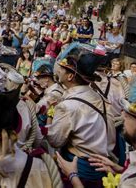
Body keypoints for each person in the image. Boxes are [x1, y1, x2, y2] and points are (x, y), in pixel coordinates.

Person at [47, 43, 116, 187]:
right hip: (102, 171)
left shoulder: (67, 106)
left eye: (63, 69)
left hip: (77, 171)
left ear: (71, 76)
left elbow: (55, 140)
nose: (58, 70)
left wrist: (50, 116)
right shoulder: (101, 99)